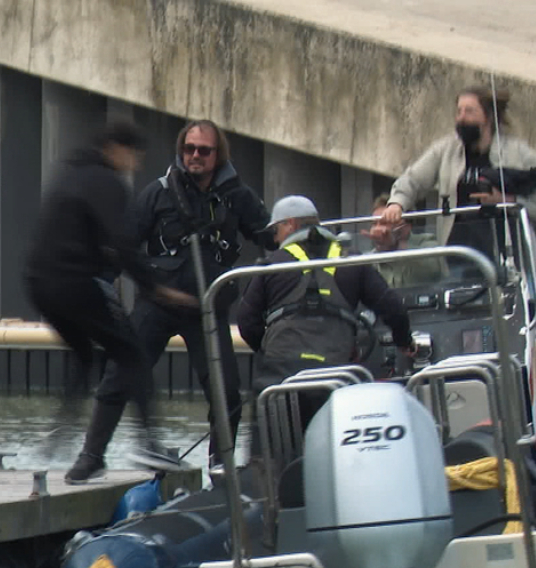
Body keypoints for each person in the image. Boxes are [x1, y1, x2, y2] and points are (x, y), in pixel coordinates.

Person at [66, 119, 273, 482]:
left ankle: (221, 466)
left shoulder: (237, 197)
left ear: (218, 155)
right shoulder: (157, 193)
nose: (195, 156)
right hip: (157, 303)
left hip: (206, 308)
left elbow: (271, 237)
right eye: (189, 149)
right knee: (118, 375)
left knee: (226, 390)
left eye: (204, 150)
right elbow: (122, 246)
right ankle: (91, 456)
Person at [23, 121, 197, 481]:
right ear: (117, 149)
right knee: (132, 355)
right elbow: (122, 242)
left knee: (83, 354)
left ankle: (63, 431)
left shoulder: (68, 175)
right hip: (75, 282)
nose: (134, 165)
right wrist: (155, 287)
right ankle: (148, 443)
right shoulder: (106, 181)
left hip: (39, 284)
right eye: (134, 156)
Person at [236, 195, 414, 417]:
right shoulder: (352, 260)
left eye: (276, 230)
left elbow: (246, 321)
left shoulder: (272, 265)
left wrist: (268, 351)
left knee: (271, 426)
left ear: (290, 224)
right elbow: (393, 309)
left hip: (281, 379)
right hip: (337, 378)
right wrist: (404, 342)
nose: (275, 238)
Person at [379, 86, 536, 275]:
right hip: (458, 260)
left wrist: (503, 201)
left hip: (508, 261)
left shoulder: (521, 154)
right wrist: (397, 204)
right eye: (459, 111)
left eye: (469, 111)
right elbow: (413, 180)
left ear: (488, 117)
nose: (461, 117)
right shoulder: (446, 150)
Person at [364, 192, 447, 289]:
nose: (377, 229)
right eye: (374, 224)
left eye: (385, 223)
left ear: (406, 226)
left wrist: (397, 245)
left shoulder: (427, 242)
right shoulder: (369, 261)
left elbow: (432, 272)